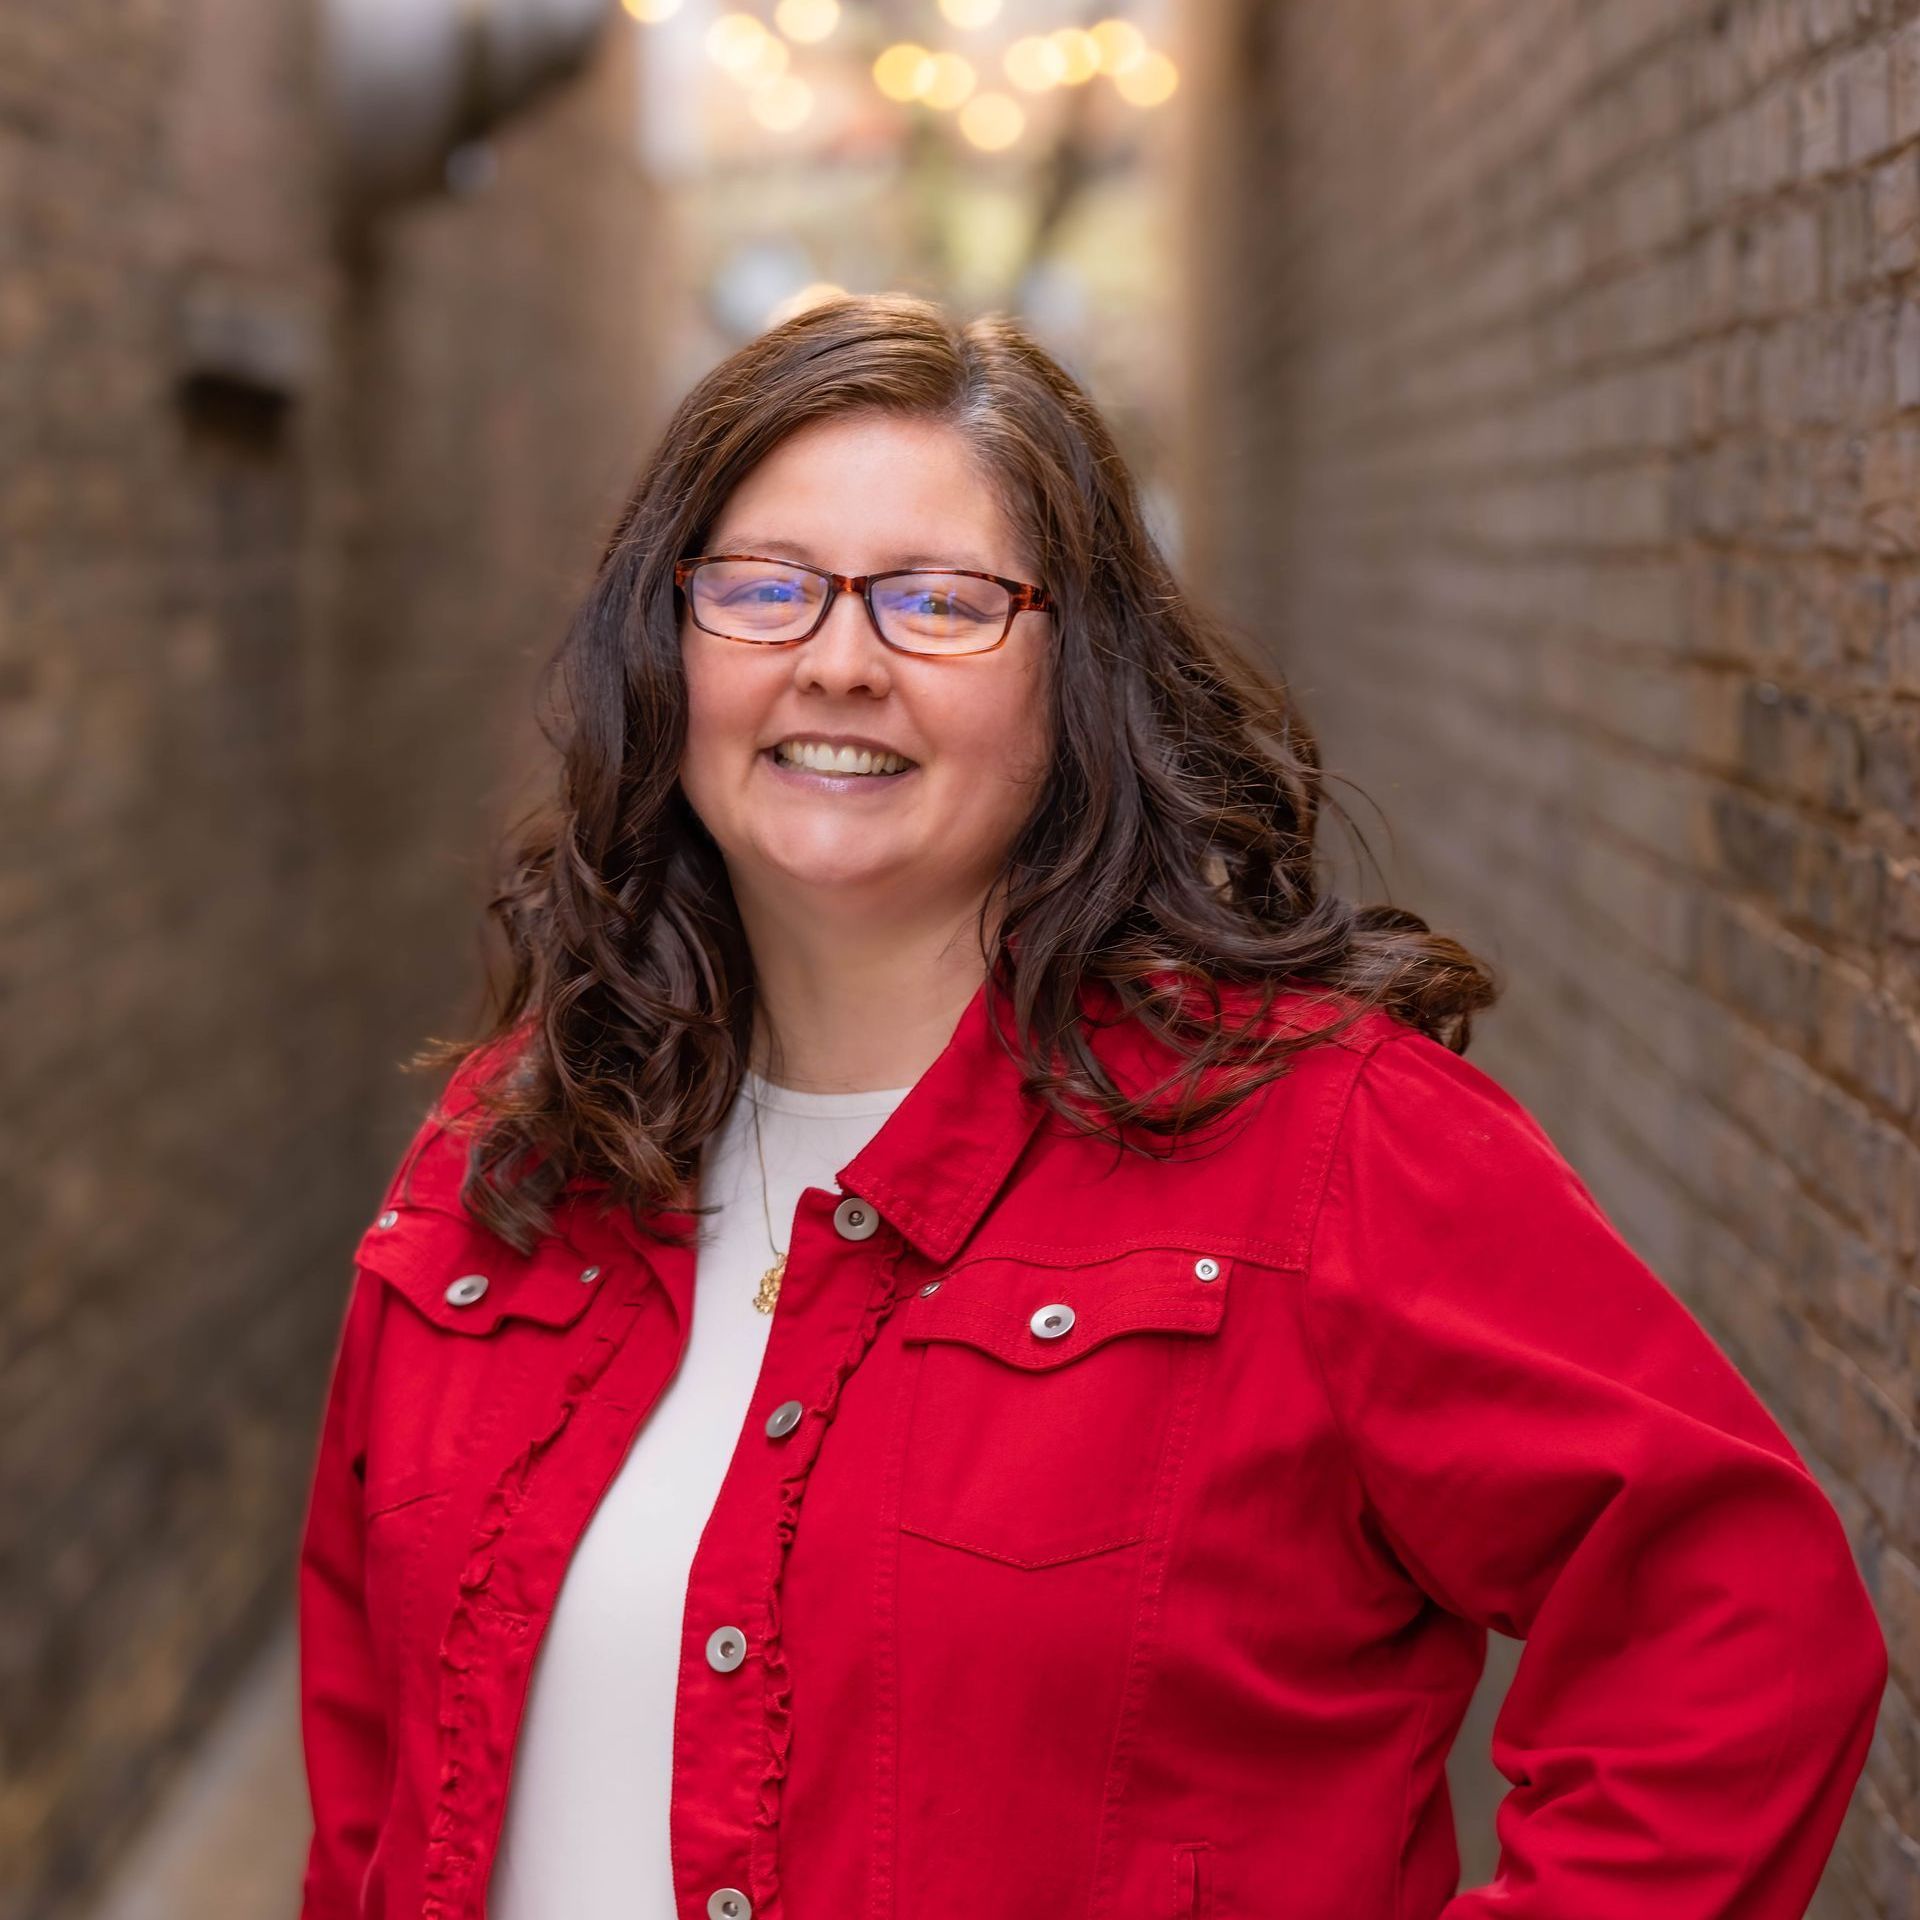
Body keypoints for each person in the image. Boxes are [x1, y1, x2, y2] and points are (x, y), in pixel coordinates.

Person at [295, 292, 1886, 1920]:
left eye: (941, 602)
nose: (840, 662)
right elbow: (370, 1776)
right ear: (666, 642)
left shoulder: (1322, 1145)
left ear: (1080, 674)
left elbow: (1737, 1631)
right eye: (763, 589)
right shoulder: (508, 1154)